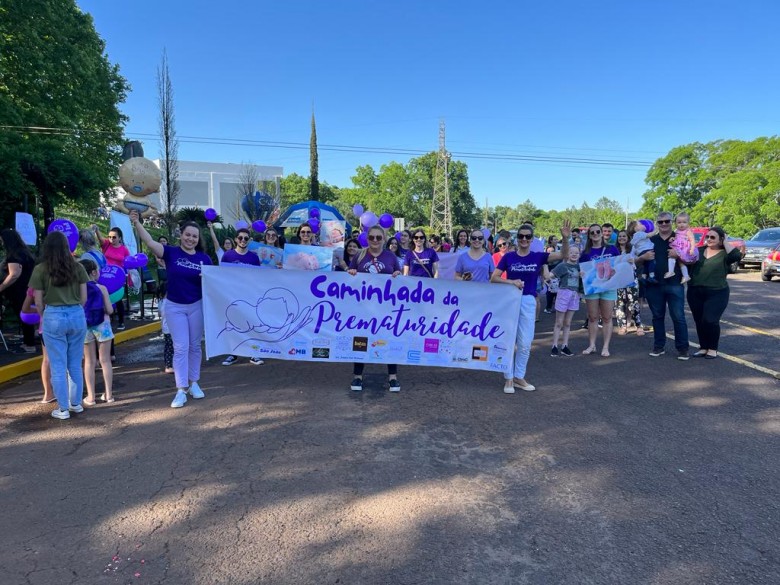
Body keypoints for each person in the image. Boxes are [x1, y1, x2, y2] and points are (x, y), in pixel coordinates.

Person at [130, 210, 213, 408]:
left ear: (198, 239)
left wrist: (207, 279)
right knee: (181, 347)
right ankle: (181, 389)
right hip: (174, 306)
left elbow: (214, 283)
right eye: (187, 235)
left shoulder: (205, 259)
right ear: (181, 235)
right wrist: (137, 222)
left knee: (195, 346)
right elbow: (150, 242)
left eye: (194, 236)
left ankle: (194, 383)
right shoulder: (170, 253)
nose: (190, 239)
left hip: (196, 306)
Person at [491, 221, 570, 393]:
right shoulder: (508, 257)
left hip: (528, 300)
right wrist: (511, 282)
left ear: (532, 239)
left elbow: (564, 254)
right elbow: (494, 278)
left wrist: (565, 238)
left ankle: (519, 376)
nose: (524, 239)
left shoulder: (538, 256)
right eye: (521, 236)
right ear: (517, 239)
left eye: (528, 236)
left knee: (525, 343)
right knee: (509, 341)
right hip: (510, 300)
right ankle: (508, 378)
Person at [29, 231, 89, 420]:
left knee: (57, 364)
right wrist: (75, 309)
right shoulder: (78, 266)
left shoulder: (40, 269)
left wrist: (44, 316)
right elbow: (84, 298)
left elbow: (38, 301)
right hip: (76, 314)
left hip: (53, 315)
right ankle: (76, 403)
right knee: (75, 363)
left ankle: (62, 409)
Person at [347, 225, 402, 392]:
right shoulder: (359, 255)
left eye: (379, 237)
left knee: (388, 338)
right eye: (372, 237)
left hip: (386, 307)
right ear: (367, 239)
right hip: (363, 307)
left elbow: (399, 276)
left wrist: (397, 275)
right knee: (361, 340)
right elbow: (350, 275)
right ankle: (358, 376)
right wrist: (351, 272)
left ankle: (393, 377)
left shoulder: (390, 256)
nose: (375, 240)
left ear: (384, 239)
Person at [640, 211, 691, 360]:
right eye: (660, 222)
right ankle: (658, 346)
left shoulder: (680, 237)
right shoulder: (651, 240)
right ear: (657, 223)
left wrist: (678, 255)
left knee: (678, 317)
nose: (663, 224)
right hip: (654, 285)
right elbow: (635, 258)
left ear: (672, 222)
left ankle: (683, 348)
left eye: (667, 221)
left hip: (674, 284)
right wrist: (643, 257)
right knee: (657, 317)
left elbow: (692, 257)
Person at [687, 227, 742, 358]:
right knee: (699, 320)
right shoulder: (699, 250)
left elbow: (736, 256)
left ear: (720, 239)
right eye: (707, 236)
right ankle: (703, 347)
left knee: (710, 320)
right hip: (695, 291)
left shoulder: (725, 254)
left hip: (717, 292)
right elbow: (686, 259)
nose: (709, 239)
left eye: (713, 237)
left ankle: (712, 348)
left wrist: (725, 241)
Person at [219, 228, 262, 367]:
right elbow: (221, 275)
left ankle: (253, 353)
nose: (243, 240)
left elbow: (260, 277)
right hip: (232, 295)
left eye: (246, 238)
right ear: (235, 239)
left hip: (249, 296)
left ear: (249, 240)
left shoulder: (254, 257)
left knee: (252, 324)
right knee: (233, 324)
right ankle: (233, 353)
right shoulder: (227, 256)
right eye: (240, 238)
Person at [579, 224, 621, 357]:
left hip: (608, 286)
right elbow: (581, 268)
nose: (595, 234)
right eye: (592, 232)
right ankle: (592, 345)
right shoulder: (585, 253)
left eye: (598, 231)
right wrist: (581, 273)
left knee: (607, 317)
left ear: (602, 233)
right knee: (592, 317)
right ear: (589, 236)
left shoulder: (612, 249)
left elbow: (620, 265)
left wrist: (619, 268)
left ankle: (605, 346)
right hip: (592, 287)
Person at [78, 258, 114, 405]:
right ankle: (109, 395)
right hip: (103, 326)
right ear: (93, 272)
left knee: (89, 361)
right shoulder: (101, 288)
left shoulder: (78, 289)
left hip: (85, 326)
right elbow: (109, 310)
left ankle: (91, 396)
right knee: (105, 361)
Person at [0, 228, 36, 351]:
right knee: (26, 315)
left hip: (19, 290)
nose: (2, 243)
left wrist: (1, 287)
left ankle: (29, 344)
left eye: (2, 241)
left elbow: (14, 274)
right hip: (27, 288)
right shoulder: (25, 252)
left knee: (23, 314)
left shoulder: (14, 256)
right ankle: (29, 341)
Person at [550, 246, 582, 357]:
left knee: (568, 323)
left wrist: (583, 276)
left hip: (575, 295)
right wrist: (544, 267)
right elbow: (550, 275)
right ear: (567, 254)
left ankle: (565, 346)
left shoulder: (580, 267)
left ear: (579, 255)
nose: (574, 254)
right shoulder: (562, 266)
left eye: (576, 253)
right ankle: (554, 345)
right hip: (564, 293)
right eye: (571, 252)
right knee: (559, 322)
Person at [22, 287, 53, 402]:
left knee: (46, 360)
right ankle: (69, 393)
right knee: (67, 359)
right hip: (65, 322)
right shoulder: (64, 279)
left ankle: (48, 394)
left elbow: (25, 309)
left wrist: (40, 311)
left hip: (45, 327)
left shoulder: (34, 287)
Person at [97, 225, 130, 330]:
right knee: (104, 298)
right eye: (110, 237)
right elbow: (100, 239)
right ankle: (107, 320)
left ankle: (121, 322)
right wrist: (97, 230)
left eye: (114, 237)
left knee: (118, 299)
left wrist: (127, 276)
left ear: (120, 238)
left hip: (118, 278)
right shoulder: (107, 244)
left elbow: (128, 263)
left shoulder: (124, 249)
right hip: (105, 276)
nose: (111, 239)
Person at [614, 229, 644, 337]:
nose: (621, 238)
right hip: (618, 278)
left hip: (631, 277)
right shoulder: (614, 250)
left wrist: (634, 260)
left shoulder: (633, 248)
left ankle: (638, 325)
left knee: (633, 302)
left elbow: (641, 257)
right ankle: (622, 326)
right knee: (619, 303)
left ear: (628, 238)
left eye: (624, 236)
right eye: (620, 236)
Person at [665, 212, 698, 284]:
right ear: (676, 223)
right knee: (679, 261)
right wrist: (672, 238)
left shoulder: (688, 231)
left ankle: (673, 272)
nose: (681, 224)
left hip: (685, 249)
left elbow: (692, 240)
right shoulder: (676, 231)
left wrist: (692, 249)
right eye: (679, 222)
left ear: (688, 223)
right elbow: (677, 238)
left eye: (684, 222)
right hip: (679, 247)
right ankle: (684, 275)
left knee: (673, 256)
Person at [156, 281, 174, 374]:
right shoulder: (169, 303)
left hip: (165, 328)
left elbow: (160, 313)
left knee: (168, 347)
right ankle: (169, 366)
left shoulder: (161, 302)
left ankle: (168, 364)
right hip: (171, 328)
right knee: (171, 348)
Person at [544, 235, 560, 313]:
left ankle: (557, 307)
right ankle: (548, 307)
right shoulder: (549, 249)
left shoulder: (559, 248)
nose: (556, 241)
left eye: (557, 239)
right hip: (551, 271)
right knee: (550, 290)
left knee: (557, 290)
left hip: (558, 271)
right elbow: (549, 260)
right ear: (550, 241)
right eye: (554, 239)